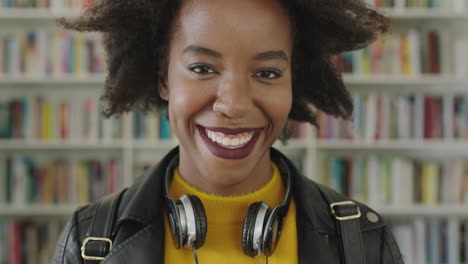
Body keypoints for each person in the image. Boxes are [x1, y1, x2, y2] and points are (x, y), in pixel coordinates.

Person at [52, 0, 403, 263]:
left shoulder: (362, 241)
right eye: (202, 68)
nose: (233, 104)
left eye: (267, 73)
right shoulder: (89, 240)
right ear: (163, 79)